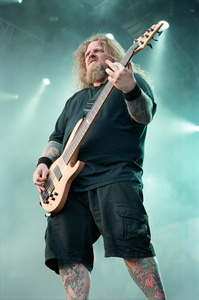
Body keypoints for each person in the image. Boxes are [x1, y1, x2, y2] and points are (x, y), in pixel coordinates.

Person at [33, 34, 166, 299]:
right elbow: (58, 137)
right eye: (87, 53)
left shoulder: (129, 82)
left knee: (133, 247)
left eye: (98, 50)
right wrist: (44, 163)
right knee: (68, 255)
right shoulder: (75, 100)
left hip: (114, 177)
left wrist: (130, 88)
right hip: (69, 189)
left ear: (114, 55)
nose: (91, 54)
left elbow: (145, 115)